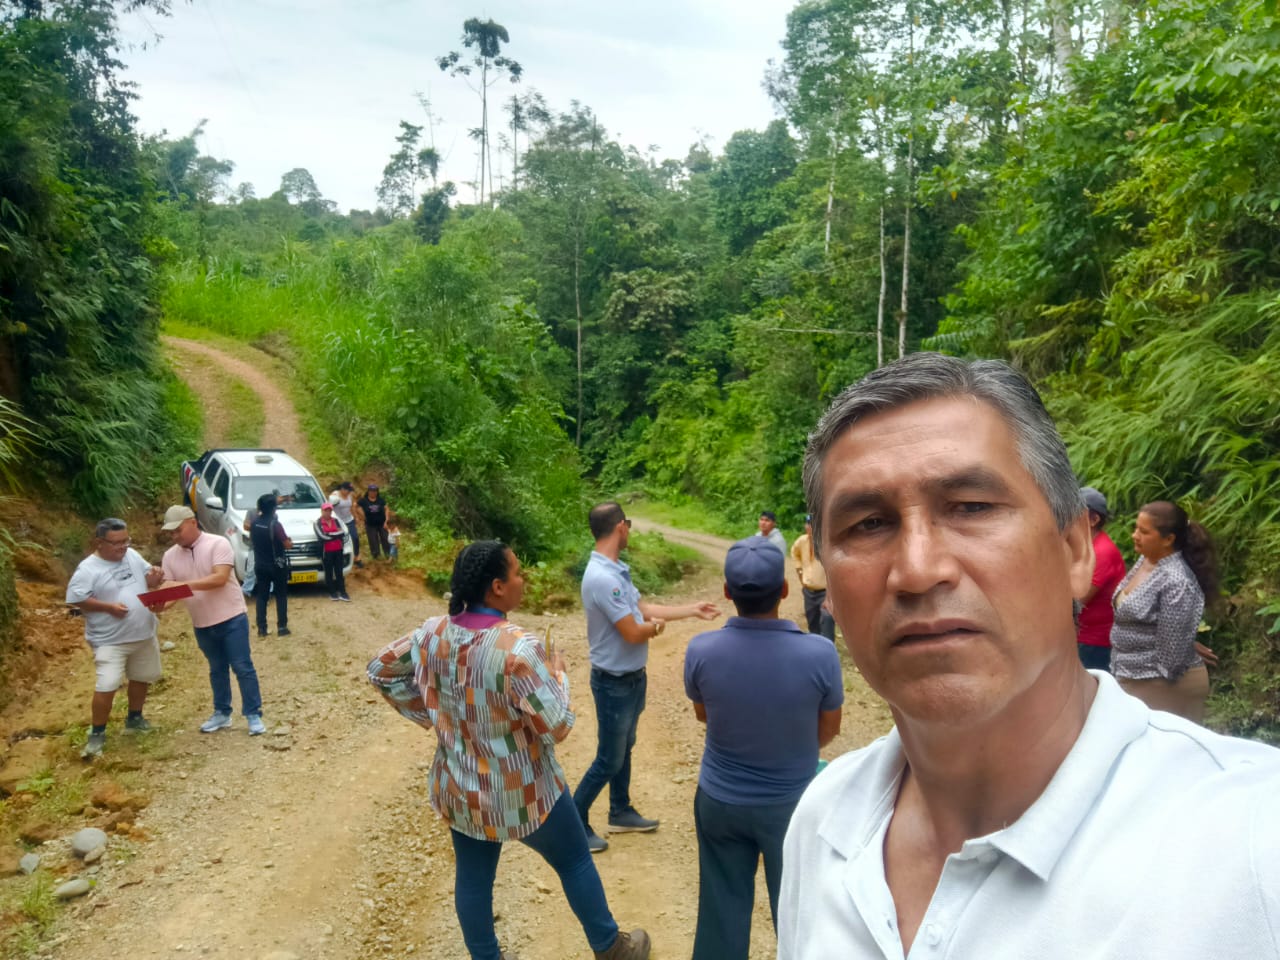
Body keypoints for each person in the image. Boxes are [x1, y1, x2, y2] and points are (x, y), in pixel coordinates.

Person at [777, 352, 1280, 959]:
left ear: (1075, 551)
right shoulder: (824, 821)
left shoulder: (1251, 844)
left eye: (971, 507)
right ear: (828, 585)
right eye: (867, 524)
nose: (917, 570)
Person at [367, 541, 651, 960]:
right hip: (526, 791)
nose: (523, 578)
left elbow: (380, 669)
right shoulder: (517, 649)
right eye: (517, 572)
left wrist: (433, 712)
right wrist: (559, 677)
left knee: (473, 879)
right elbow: (557, 725)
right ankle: (612, 949)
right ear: (497, 587)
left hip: (462, 789)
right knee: (574, 861)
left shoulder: (430, 632)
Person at [684, 537, 843, 960]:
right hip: (792, 808)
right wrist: (791, 745)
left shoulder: (701, 650)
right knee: (797, 915)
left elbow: (704, 715)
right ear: (785, 590)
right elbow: (830, 728)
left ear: (727, 592)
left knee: (720, 911)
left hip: (719, 801)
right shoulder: (820, 653)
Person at [573, 501, 721, 853]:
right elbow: (633, 631)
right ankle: (574, 823)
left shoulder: (616, 570)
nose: (629, 530)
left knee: (624, 748)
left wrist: (692, 610)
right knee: (608, 758)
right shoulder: (602, 578)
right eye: (628, 524)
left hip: (631, 678)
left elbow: (643, 609)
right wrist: (655, 629)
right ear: (620, 527)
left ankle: (620, 810)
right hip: (613, 682)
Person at [155, 505, 265, 736]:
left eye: (178, 530)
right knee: (216, 669)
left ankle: (253, 714)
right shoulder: (170, 556)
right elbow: (170, 592)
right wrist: (157, 605)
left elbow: (219, 578)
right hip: (202, 622)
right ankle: (222, 712)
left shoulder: (218, 543)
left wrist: (181, 586)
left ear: (193, 522)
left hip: (231, 616)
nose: (175, 536)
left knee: (242, 666)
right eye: (171, 532)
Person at [1110, 500, 1219, 722]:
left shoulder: (1177, 580)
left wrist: (1179, 645)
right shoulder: (1146, 560)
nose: (1134, 535)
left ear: (1168, 539)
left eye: (1144, 532)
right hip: (1131, 675)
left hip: (1160, 684)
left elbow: (1172, 658)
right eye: (1136, 528)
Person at [65, 518, 165, 758]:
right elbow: (76, 598)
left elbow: (147, 578)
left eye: (125, 541)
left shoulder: (131, 555)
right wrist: (108, 607)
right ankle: (97, 734)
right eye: (116, 543)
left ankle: (135, 719)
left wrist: (154, 577)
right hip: (110, 640)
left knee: (141, 676)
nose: (122, 547)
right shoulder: (88, 569)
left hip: (143, 633)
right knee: (107, 684)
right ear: (99, 543)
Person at [1075, 486, 1125, 671]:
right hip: (1082, 636)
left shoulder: (1102, 552)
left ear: (1093, 520)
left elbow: (1077, 600)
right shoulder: (1085, 546)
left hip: (1094, 642)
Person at [249, 493, 292, 638]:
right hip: (276, 565)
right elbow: (287, 544)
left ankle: (262, 628)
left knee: (262, 596)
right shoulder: (275, 525)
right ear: (274, 508)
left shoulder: (254, 523)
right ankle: (282, 627)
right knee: (281, 595)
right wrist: (289, 542)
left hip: (260, 564)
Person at [790, 515, 836, 641]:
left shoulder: (827, 544)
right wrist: (799, 570)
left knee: (827, 620)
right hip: (809, 591)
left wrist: (830, 595)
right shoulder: (802, 541)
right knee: (812, 623)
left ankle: (827, 647)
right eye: (809, 524)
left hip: (825, 592)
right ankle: (815, 646)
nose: (811, 528)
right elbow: (794, 553)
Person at [314, 502, 351, 601]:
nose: (328, 512)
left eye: (329, 510)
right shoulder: (317, 523)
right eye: (326, 510)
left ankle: (343, 592)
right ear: (322, 511)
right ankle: (332, 592)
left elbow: (343, 532)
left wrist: (330, 534)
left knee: (339, 572)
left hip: (338, 549)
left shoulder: (336, 520)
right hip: (326, 551)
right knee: (329, 572)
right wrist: (335, 534)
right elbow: (322, 536)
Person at [330, 481, 361, 567]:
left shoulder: (350, 495)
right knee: (340, 540)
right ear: (342, 489)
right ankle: (340, 558)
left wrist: (356, 517)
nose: (349, 492)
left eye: (350, 490)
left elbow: (352, 507)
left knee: (355, 538)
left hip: (349, 520)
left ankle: (356, 557)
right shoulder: (335, 495)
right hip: (338, 522)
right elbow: (329, 508)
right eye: (348, 490)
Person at [358, 483, 390, 561]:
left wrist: (386, 520)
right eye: (371, 491)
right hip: (370, 524)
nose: (373, 492)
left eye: (375, 491)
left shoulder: (380, 500)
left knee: (385, 539)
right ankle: (376, 556)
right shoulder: (364, 500)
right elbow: (356, 506)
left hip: (382, 523)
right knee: (373, 540)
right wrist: (361, 516)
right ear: (368, 491)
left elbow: (387, 508)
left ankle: (388, 554)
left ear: (377, 492)